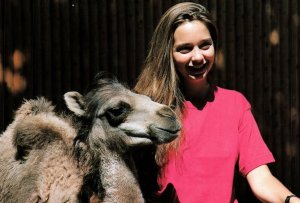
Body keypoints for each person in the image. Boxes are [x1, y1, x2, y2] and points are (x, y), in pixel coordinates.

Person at [134, 2, 300, 203]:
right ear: (167, 54)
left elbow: (261, 179)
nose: (198, 57)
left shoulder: (235, 104)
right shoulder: (147, 108)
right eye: (185, 49)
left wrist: (291, 200)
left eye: (205, 45)